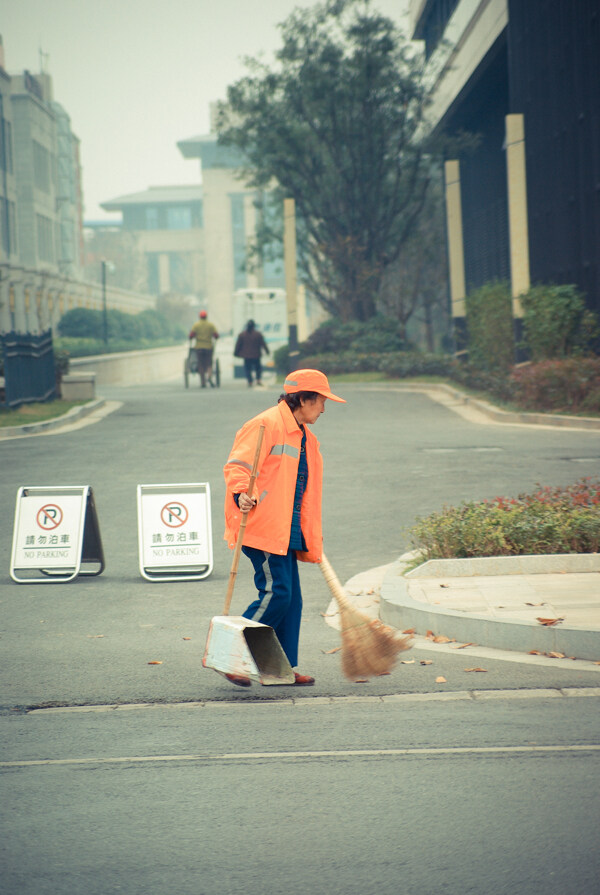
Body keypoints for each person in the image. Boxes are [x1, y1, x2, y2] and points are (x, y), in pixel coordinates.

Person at [223, 368, 346, 687]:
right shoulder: (265, 424)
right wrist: (241, 494)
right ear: (303, 399)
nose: (323, 408)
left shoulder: (306, 436)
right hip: (261, 526)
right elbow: (238, 466)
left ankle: (280, 668)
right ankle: (232, 655)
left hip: (286, 530)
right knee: (277, 593)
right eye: (320, 401)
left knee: (292, 600)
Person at [234, 319, 270, 387]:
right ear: (254, 326)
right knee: (258, 368)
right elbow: (263, 344)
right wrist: (267, 351)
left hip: (247, 356)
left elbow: (238, 345)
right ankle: (258, 380)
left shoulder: (242, 335)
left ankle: (250, 381)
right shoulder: (258, 334)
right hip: (256, 355)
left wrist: (236, 353)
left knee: (248, 369)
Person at [189, 310, 219, 387]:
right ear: (206, 316)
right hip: (209, 347)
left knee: (201, 364)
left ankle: (203, 382)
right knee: (209, 364)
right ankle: (209, 376)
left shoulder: (196, 325)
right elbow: (216, 335)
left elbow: (191, 335)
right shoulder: (211, 325)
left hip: (199, 348)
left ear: (200, 317)